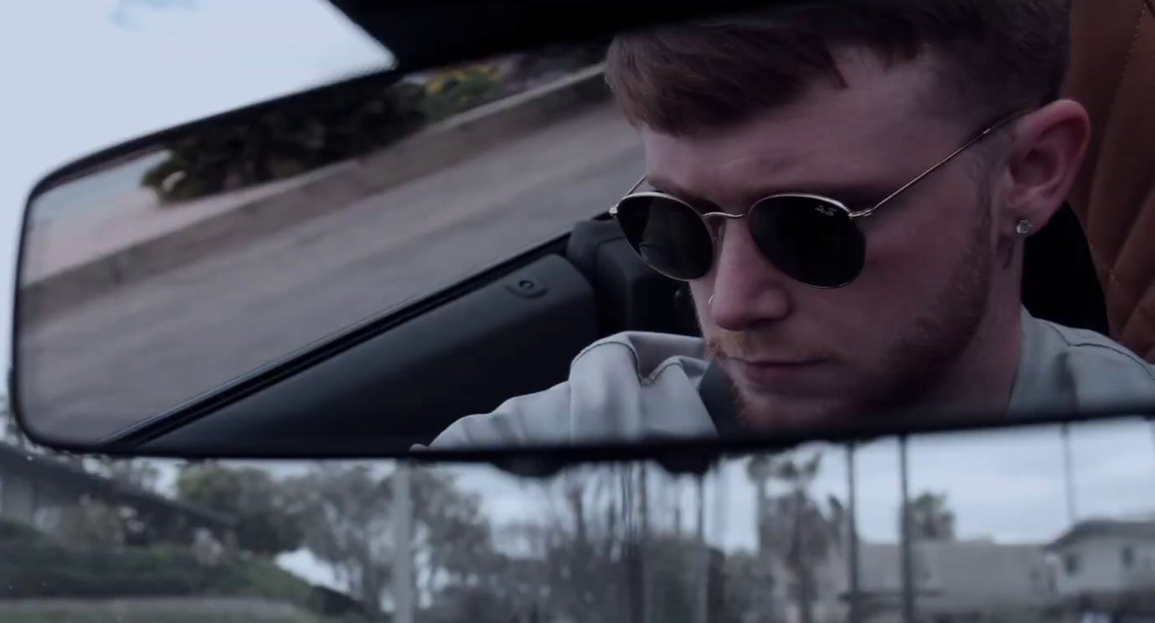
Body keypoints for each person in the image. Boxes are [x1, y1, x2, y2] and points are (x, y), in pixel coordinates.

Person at [430, 0, 1155, 448]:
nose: (730, 302)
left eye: (814, 226)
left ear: (1029, 172)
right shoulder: (574, 440)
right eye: (676, 221)